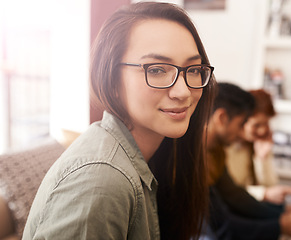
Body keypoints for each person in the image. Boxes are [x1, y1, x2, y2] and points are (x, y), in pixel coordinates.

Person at [22, 2, 216, 240]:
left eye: (194, 69)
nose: (183, 92)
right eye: (156, 69)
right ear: (111, 80)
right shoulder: (101, 180)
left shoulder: (151, 158)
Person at [202, 82, 291, 240]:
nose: (242, 131)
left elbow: (235, 196)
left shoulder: (215, 152)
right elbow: (221, 226)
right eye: (242, 123)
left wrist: (282, 214)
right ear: (221, 118)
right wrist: (282, 225)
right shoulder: (194, 158)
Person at [226, 89, 291, 204]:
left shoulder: (257, 144)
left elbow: (270, 186)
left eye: (266, 124)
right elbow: (226, 192)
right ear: (241, 120)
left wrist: (262, 158)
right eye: (256, 125)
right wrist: (264, 194)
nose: (262, 130)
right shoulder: (226, 145)